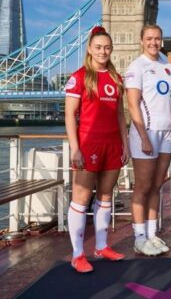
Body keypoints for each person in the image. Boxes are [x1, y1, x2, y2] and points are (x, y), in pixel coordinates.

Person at [65, 26, 129, 273]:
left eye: (107, 47)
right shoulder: (79, 76)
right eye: (99, 47)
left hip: (112, 144)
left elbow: (120, 116)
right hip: (88, 144)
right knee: (80, 200)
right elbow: (70, 115)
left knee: (105, 197)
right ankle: (77, 254)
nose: (103, 51)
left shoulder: (116, 78)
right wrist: (75, 148)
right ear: (90, 49)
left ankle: (101, 246)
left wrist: (124, 144)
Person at [125, 24, 171, 256]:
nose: (154, 42)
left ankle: (152, 234)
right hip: (147, 133)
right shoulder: (137, 66)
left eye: (157, 38)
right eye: (149, 39)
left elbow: (170, 101)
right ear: (142, 40)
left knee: (157, 185)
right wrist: (144, 136)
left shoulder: (166, 64)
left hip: (166, 133)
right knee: (143, 187)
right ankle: (139, 236)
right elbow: (133, 104)